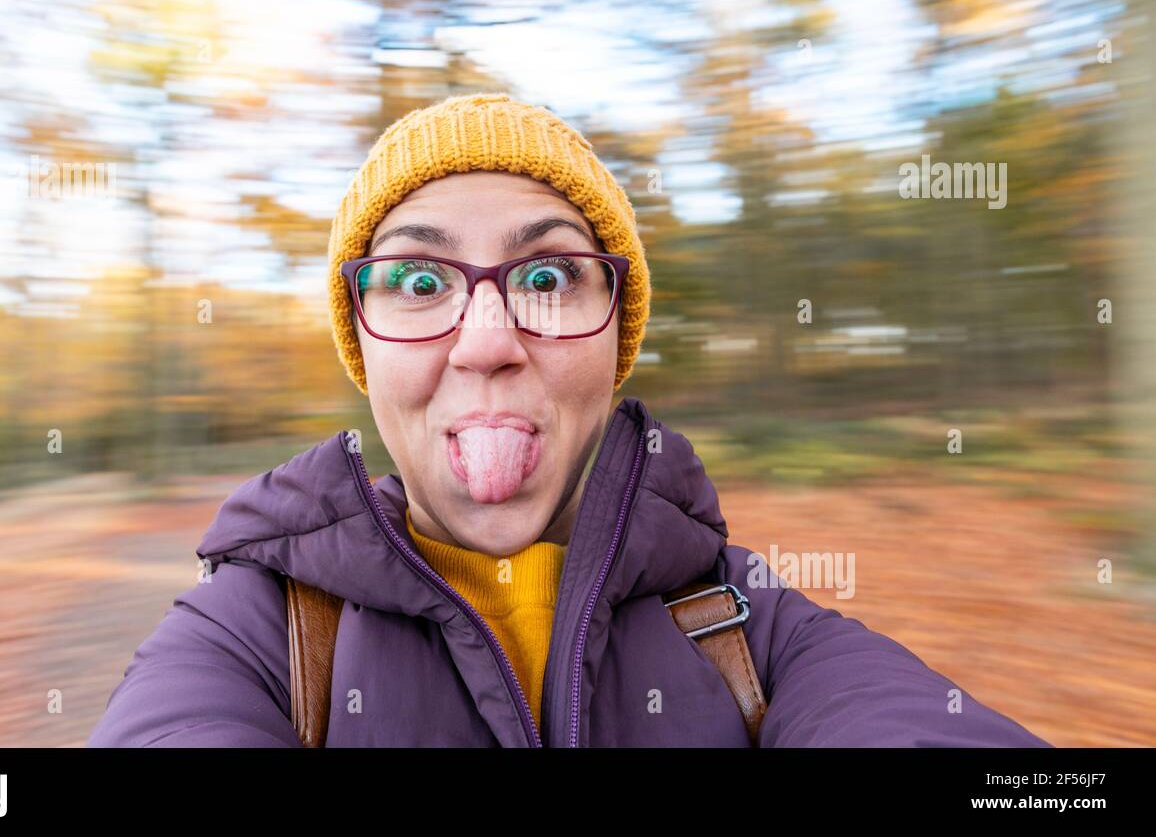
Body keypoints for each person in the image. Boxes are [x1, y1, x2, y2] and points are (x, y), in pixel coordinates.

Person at [87, 92, 1050, 747]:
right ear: (364, 346)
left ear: (614, 340)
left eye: (546, 276)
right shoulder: (249, 637)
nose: (487, 342)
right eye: (420, 281)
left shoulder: (748, 624)